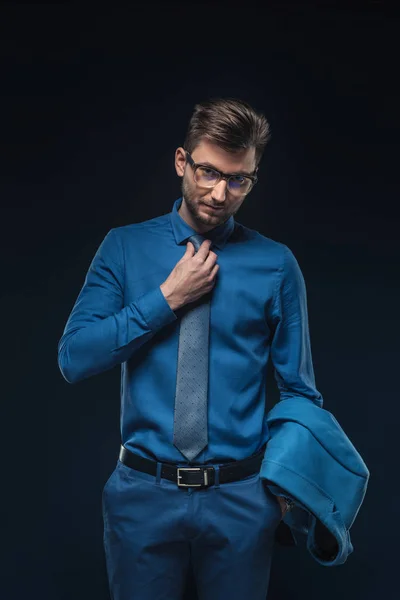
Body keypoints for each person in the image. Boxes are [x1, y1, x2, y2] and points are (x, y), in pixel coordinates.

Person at [58, 98, 324, 600]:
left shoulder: (276, 264)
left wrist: (283, 490)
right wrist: (166, 299)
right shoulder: (124, 248)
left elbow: (299, 392)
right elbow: (74, 358)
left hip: (242, 500)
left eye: (237, 179)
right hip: (142, 497)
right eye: (207, 172)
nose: (220, 192)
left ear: (251, 178)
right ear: (183, 162)